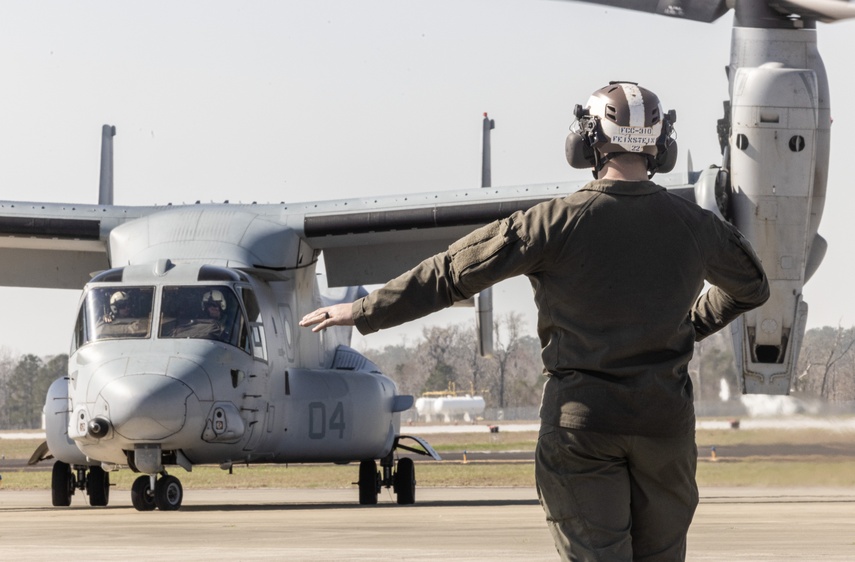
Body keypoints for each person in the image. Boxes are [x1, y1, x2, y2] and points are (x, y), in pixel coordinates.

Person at [300, 82, 770, 561]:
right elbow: (753, 286)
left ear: (589, 139)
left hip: (581, 427)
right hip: (664, 429)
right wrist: (686, 327)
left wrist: (363, 310)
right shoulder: (697, 226)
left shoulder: (551, 223)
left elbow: (451, 274)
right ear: (660, 143)